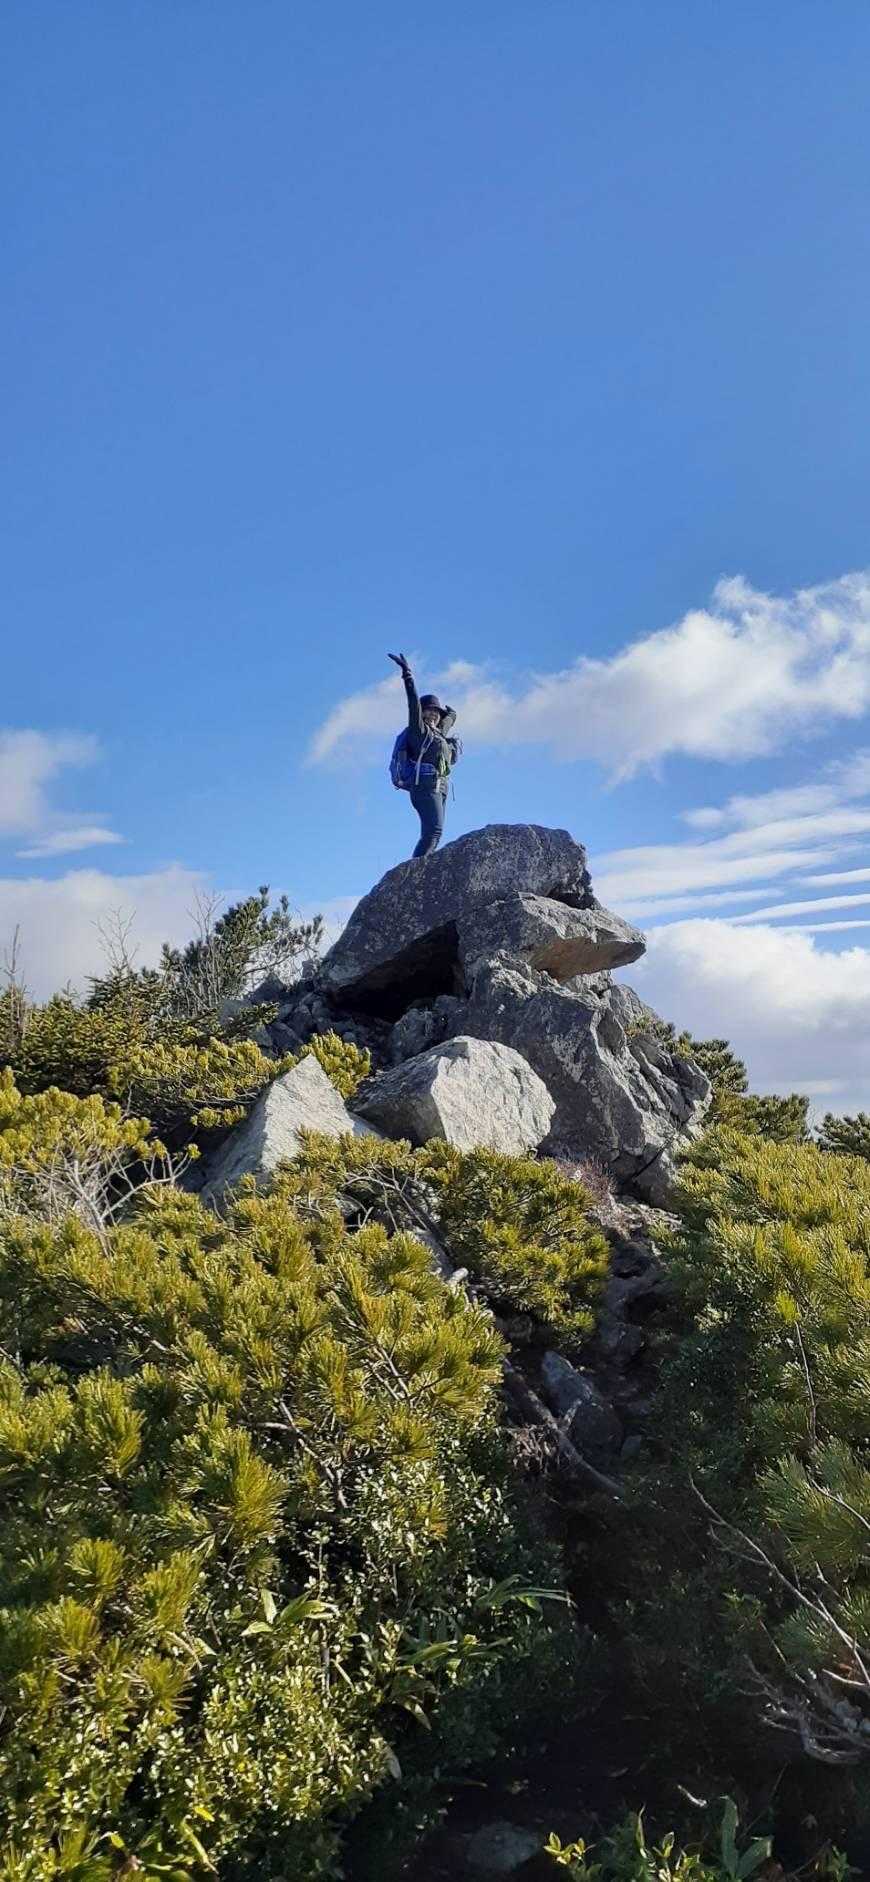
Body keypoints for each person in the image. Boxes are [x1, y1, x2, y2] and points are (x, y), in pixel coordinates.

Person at [388, 652, 460, 857]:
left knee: (435, 834)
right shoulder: (418, 731)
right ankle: (415, 871)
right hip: (425, 785)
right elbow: (412, 703)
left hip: (441, 786)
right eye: (428, 710)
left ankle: (422, 868)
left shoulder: (438, 735)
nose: (433, 714)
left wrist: (452, 714)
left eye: (436, 712)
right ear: (421, 713)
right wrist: (407, 675)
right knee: (433, 832)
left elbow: (447, 722)